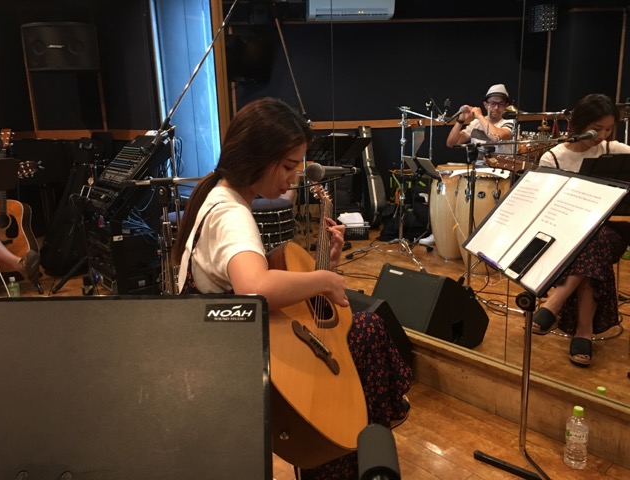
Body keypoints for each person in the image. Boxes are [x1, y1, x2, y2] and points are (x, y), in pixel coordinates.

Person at [172, 97, 412, 479]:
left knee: (362, 330)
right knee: (367, 331)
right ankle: (348, 457)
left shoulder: (219, 194)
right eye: (287, 166)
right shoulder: (232, 215)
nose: (294, 176)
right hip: (230, 361)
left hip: (221, 344)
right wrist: (325, 279)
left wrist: (325, 265)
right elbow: (255, 287)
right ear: (254, 157)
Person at [534, 93, 630, 367]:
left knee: (594, 241)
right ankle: (583, 333)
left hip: (611, 232)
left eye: (609, 129)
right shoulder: (553, 158)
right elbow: (543, 210)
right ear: (579, 124)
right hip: (565, 235)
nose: (603, 136)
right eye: (597, 128)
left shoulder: (614, 150)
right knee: (590, 251)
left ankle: (553, 304)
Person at [419, 84, 516, 247]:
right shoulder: (475, 125)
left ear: (506, 106)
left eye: (500, 104)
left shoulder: (509, 123)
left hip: (499, 175)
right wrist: (460, 121)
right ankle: (444, 232)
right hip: (476, 173)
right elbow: (451, 142)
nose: (496, 108)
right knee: (449, 182)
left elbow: (496, 137)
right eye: (493, 103)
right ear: (486, 104)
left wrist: (479, 115)